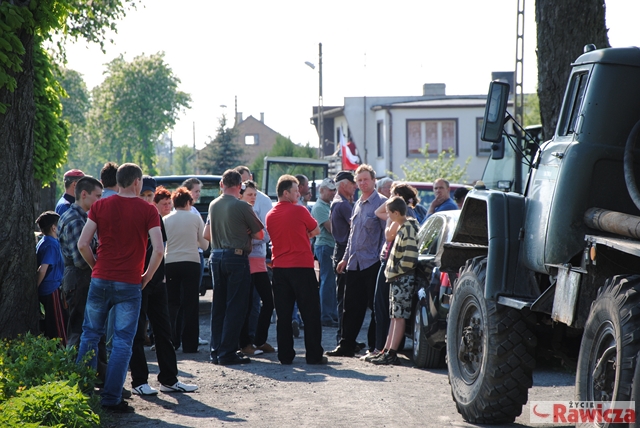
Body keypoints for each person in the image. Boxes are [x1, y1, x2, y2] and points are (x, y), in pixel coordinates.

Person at [76, 163, 163, 414]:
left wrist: (95, 267)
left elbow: (83, 244)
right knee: (122, 342)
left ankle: (80, 392)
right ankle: (111, 398)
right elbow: (158, 249)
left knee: (90, 334)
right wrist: (146, 277)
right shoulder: (148, 210)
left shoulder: (100, 206)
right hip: (130, 282)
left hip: (101, 278)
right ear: (137, 182)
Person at [129, 178, 198, 396]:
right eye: (145, 196)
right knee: (138, 333)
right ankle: (139, 381)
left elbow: (162, 250)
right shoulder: (134, 214)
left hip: (157, 281)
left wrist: (159, 277)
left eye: (151, 196)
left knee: (164, 332)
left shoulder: (157, 216)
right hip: (138, 281)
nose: (148, 200)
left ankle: (169, 379)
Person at [266, 174, 326, 365]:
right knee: (310, 313)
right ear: (286, 193)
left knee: (283, 315)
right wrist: (304, 233)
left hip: (280, 269)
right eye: (295, 190)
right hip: (302, 266)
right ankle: (314, 355)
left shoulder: (270, 214)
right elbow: (316, 230)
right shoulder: (299, 211)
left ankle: (285, 355)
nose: (299, 193)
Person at [327, 164, 386, 357]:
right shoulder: (357, 203)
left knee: (375, 308)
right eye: (359, 180)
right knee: (350, 307)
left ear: (374, 181)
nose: (362, 183)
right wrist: (344, 259)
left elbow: (386, 236)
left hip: (373, 263)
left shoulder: (382, 203)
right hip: (354, 263)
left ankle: (374, 348)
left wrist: (381, 260)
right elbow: (352, 235)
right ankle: (346, 345)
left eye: (365, 179)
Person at [208, 169, 264, 365]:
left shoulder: (213, 204)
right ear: (240, 186)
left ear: (222, 185)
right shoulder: (242, 206)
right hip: (236, 257)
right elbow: (260, 235)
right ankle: (228, 352)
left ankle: (216, 351)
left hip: (216, 257)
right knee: (236, 307)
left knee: (219, 307)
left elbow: (208, 234)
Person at [369, 181, 421, 358]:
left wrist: (394, 272)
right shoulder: (401, 220)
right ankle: (385, 349)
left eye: (392, 195)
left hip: (399, 274)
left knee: (394, 313)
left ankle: (389, 351)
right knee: (391, 313)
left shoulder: (406, 223)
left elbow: (407, 256)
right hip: (395, 272)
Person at [58, 176, 103, 348]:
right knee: (78, 330)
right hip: (79, 279)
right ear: (84, 194)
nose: (100, 200)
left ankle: (84, 371)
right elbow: (80, 259)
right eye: (97, 196)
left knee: (83, 329)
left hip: (77, 279)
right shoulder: (76, 220)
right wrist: (98, 265)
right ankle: (74, 371)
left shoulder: (79, 216)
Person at [164, 186, 209, 353]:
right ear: (188, 202)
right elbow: (204, 245)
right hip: (191, 262)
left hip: (171, 263)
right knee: (191, 304)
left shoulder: (166, 219)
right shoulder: (195, 219)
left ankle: (171, 341)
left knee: (172, 303)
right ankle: (190, 344)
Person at [238, 180, 275, 355]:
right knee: (245, 304)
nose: (253, 198)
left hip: (259, 261)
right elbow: (255, 236)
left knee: (268, 301)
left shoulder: (255, 211)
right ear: (241, 195)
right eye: (249, 194)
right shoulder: (240, 211)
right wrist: (257, 235)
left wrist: (255, 235)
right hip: (245, 261)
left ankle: (259, 340)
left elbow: (265, 236)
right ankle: (245, 343)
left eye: (254, 194)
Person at [181, 177, 209, 347]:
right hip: (193, 255)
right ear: (187, 191)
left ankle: (183, 335)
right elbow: (203, 238)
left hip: (180, 256)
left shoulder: (193, 210)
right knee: (189, 299)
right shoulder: (191, 212)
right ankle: (189, 336)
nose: (198, 195)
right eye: (196, 191)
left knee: (184, 299)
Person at [330, 170, 356, 345]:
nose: (355, 186)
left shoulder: (340, 202)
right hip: (344, 252)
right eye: (353, 183)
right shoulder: (344, 205)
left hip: (340, 250)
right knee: (346, 298)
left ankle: (345, 337)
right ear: (344, 185)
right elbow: (357, 227)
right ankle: (343, 338)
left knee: (345, 297)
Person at [311, 177, 339, 327]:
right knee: (327, 281)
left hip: (328, 246)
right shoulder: (320, 207)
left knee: (329, 281)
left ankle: (330, 314)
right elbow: (332, 229)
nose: (333, 192)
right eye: (330, 190)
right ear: (321, 191)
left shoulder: (327, 205)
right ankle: (326, 315)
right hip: (325, 246)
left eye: (334, 189)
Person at [35, 211, 67, 344]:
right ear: (54, 227)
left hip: (50, 288)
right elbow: (43, 269)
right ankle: (61, 350)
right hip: (52, 289)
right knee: (58, 324)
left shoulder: (45, 241)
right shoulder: (51, 244)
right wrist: (35, 287)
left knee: (52, 321)